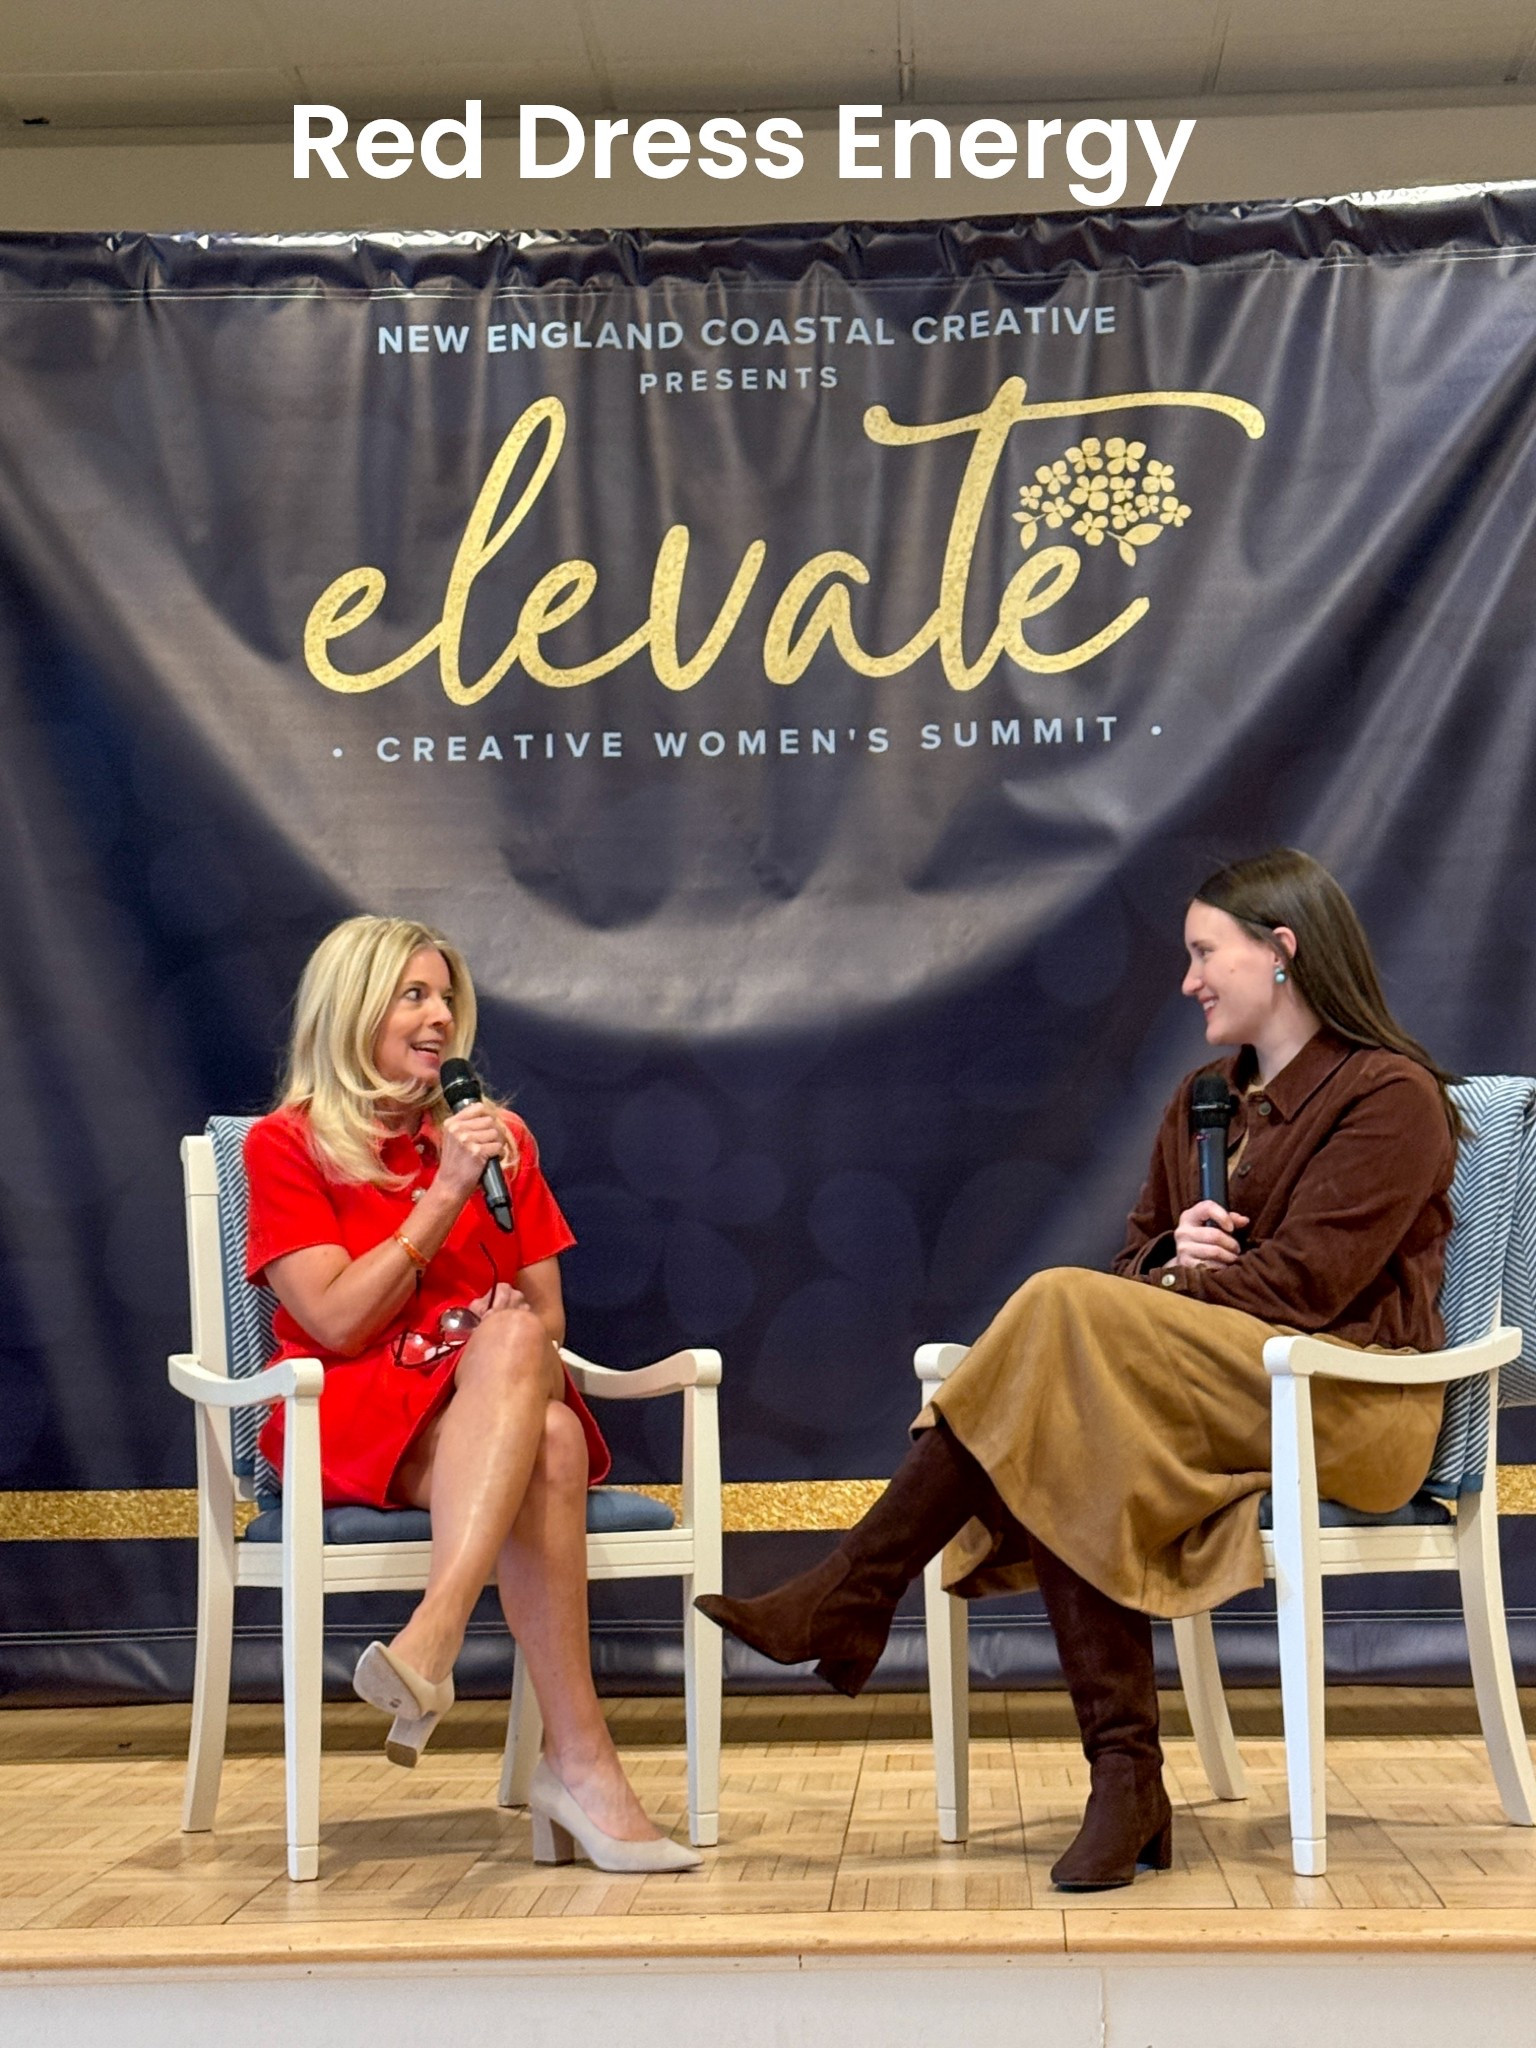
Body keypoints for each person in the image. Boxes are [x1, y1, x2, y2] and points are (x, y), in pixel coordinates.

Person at [697, 849, 1460, 1891]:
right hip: (1218, 1382)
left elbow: (1309, 1286)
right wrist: (1171, 1255)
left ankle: (854, 1589)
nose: (1188, 980)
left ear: (1282, 951)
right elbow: (1133, 1260)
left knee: (1061, 1318)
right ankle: (1124, 1775)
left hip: (1345, 1400)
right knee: (1069, 1409)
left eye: (1205, 953)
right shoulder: (1203, 1098)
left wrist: (1178, 1280)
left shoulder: (1389, 1094)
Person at [244, 914, 700, 1874]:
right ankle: (571, 1759)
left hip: (477, 1399)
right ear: (354, 1009)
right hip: (347, 1411)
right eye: (414, 996)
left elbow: (548, 1315)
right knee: (549, 1436)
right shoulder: (287, 1146)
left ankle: (441, 1643)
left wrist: (494, 1319)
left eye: (446, 997)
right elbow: (334, 1321)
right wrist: (444, 1192)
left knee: (532, 1374)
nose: (440, 1018)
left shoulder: (502, 1139)